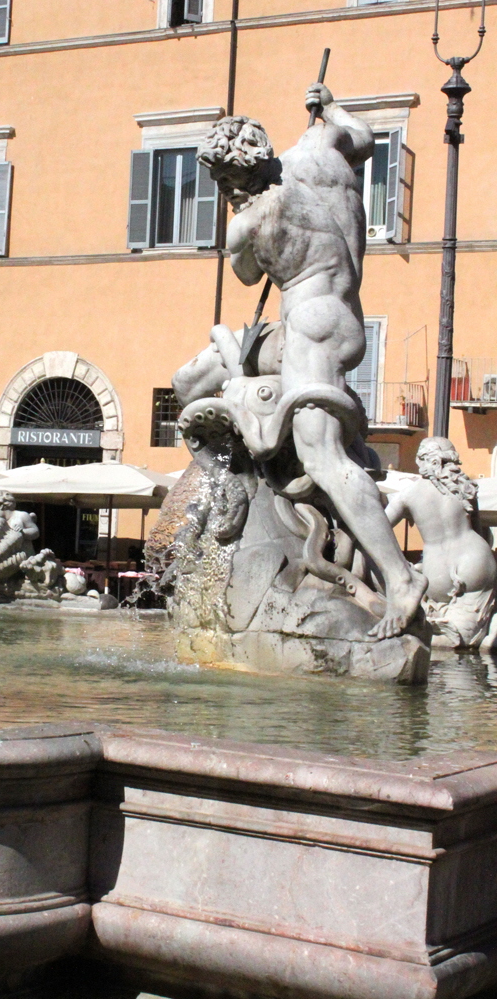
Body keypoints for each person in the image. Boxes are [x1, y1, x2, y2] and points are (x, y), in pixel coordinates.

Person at [196, 83, 427, 639]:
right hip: (345, 312)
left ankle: (400, 577)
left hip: (308, 322)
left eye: (226, 182)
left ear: (236, 176)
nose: (227, 191)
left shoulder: (244, 224)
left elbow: (250, 277)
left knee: (322, 457)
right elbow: (365, 139)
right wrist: (329, 107)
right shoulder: (314, 154)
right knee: (217, 373)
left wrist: (246, 230)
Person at [384, 438, 497, 646]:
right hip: (475, 559)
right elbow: (479, 531)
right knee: (465, 639)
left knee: (438, 641)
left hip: (434, 572)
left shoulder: (407, 494)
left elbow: (379, 531)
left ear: (422, 460)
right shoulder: (465, 487)